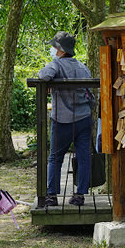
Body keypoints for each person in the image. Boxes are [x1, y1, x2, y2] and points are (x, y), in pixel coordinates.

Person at [38, 30, 94, 207]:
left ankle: (51, 195)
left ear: (60, 51)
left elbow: (43, 75)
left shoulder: (56, 65)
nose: (53, 50)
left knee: (55, 157)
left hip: (62, 118)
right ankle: (80, 195)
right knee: (84, 156)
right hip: (84, 117)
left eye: (54, 47)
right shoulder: (82, 67)